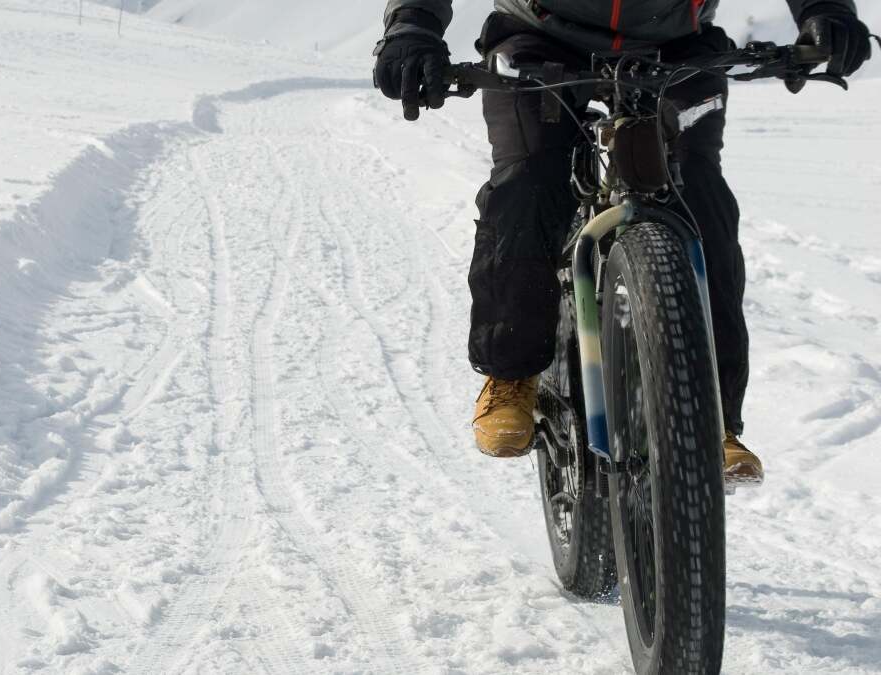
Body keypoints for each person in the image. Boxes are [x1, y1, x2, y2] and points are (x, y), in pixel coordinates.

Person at [373, 0, 874, 485]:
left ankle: (709, 418)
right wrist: (412, 25)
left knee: (701, 197)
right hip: (538, 40)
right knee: (527, 183)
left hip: (680, 47)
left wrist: (826, 10)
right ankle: (512, 374)